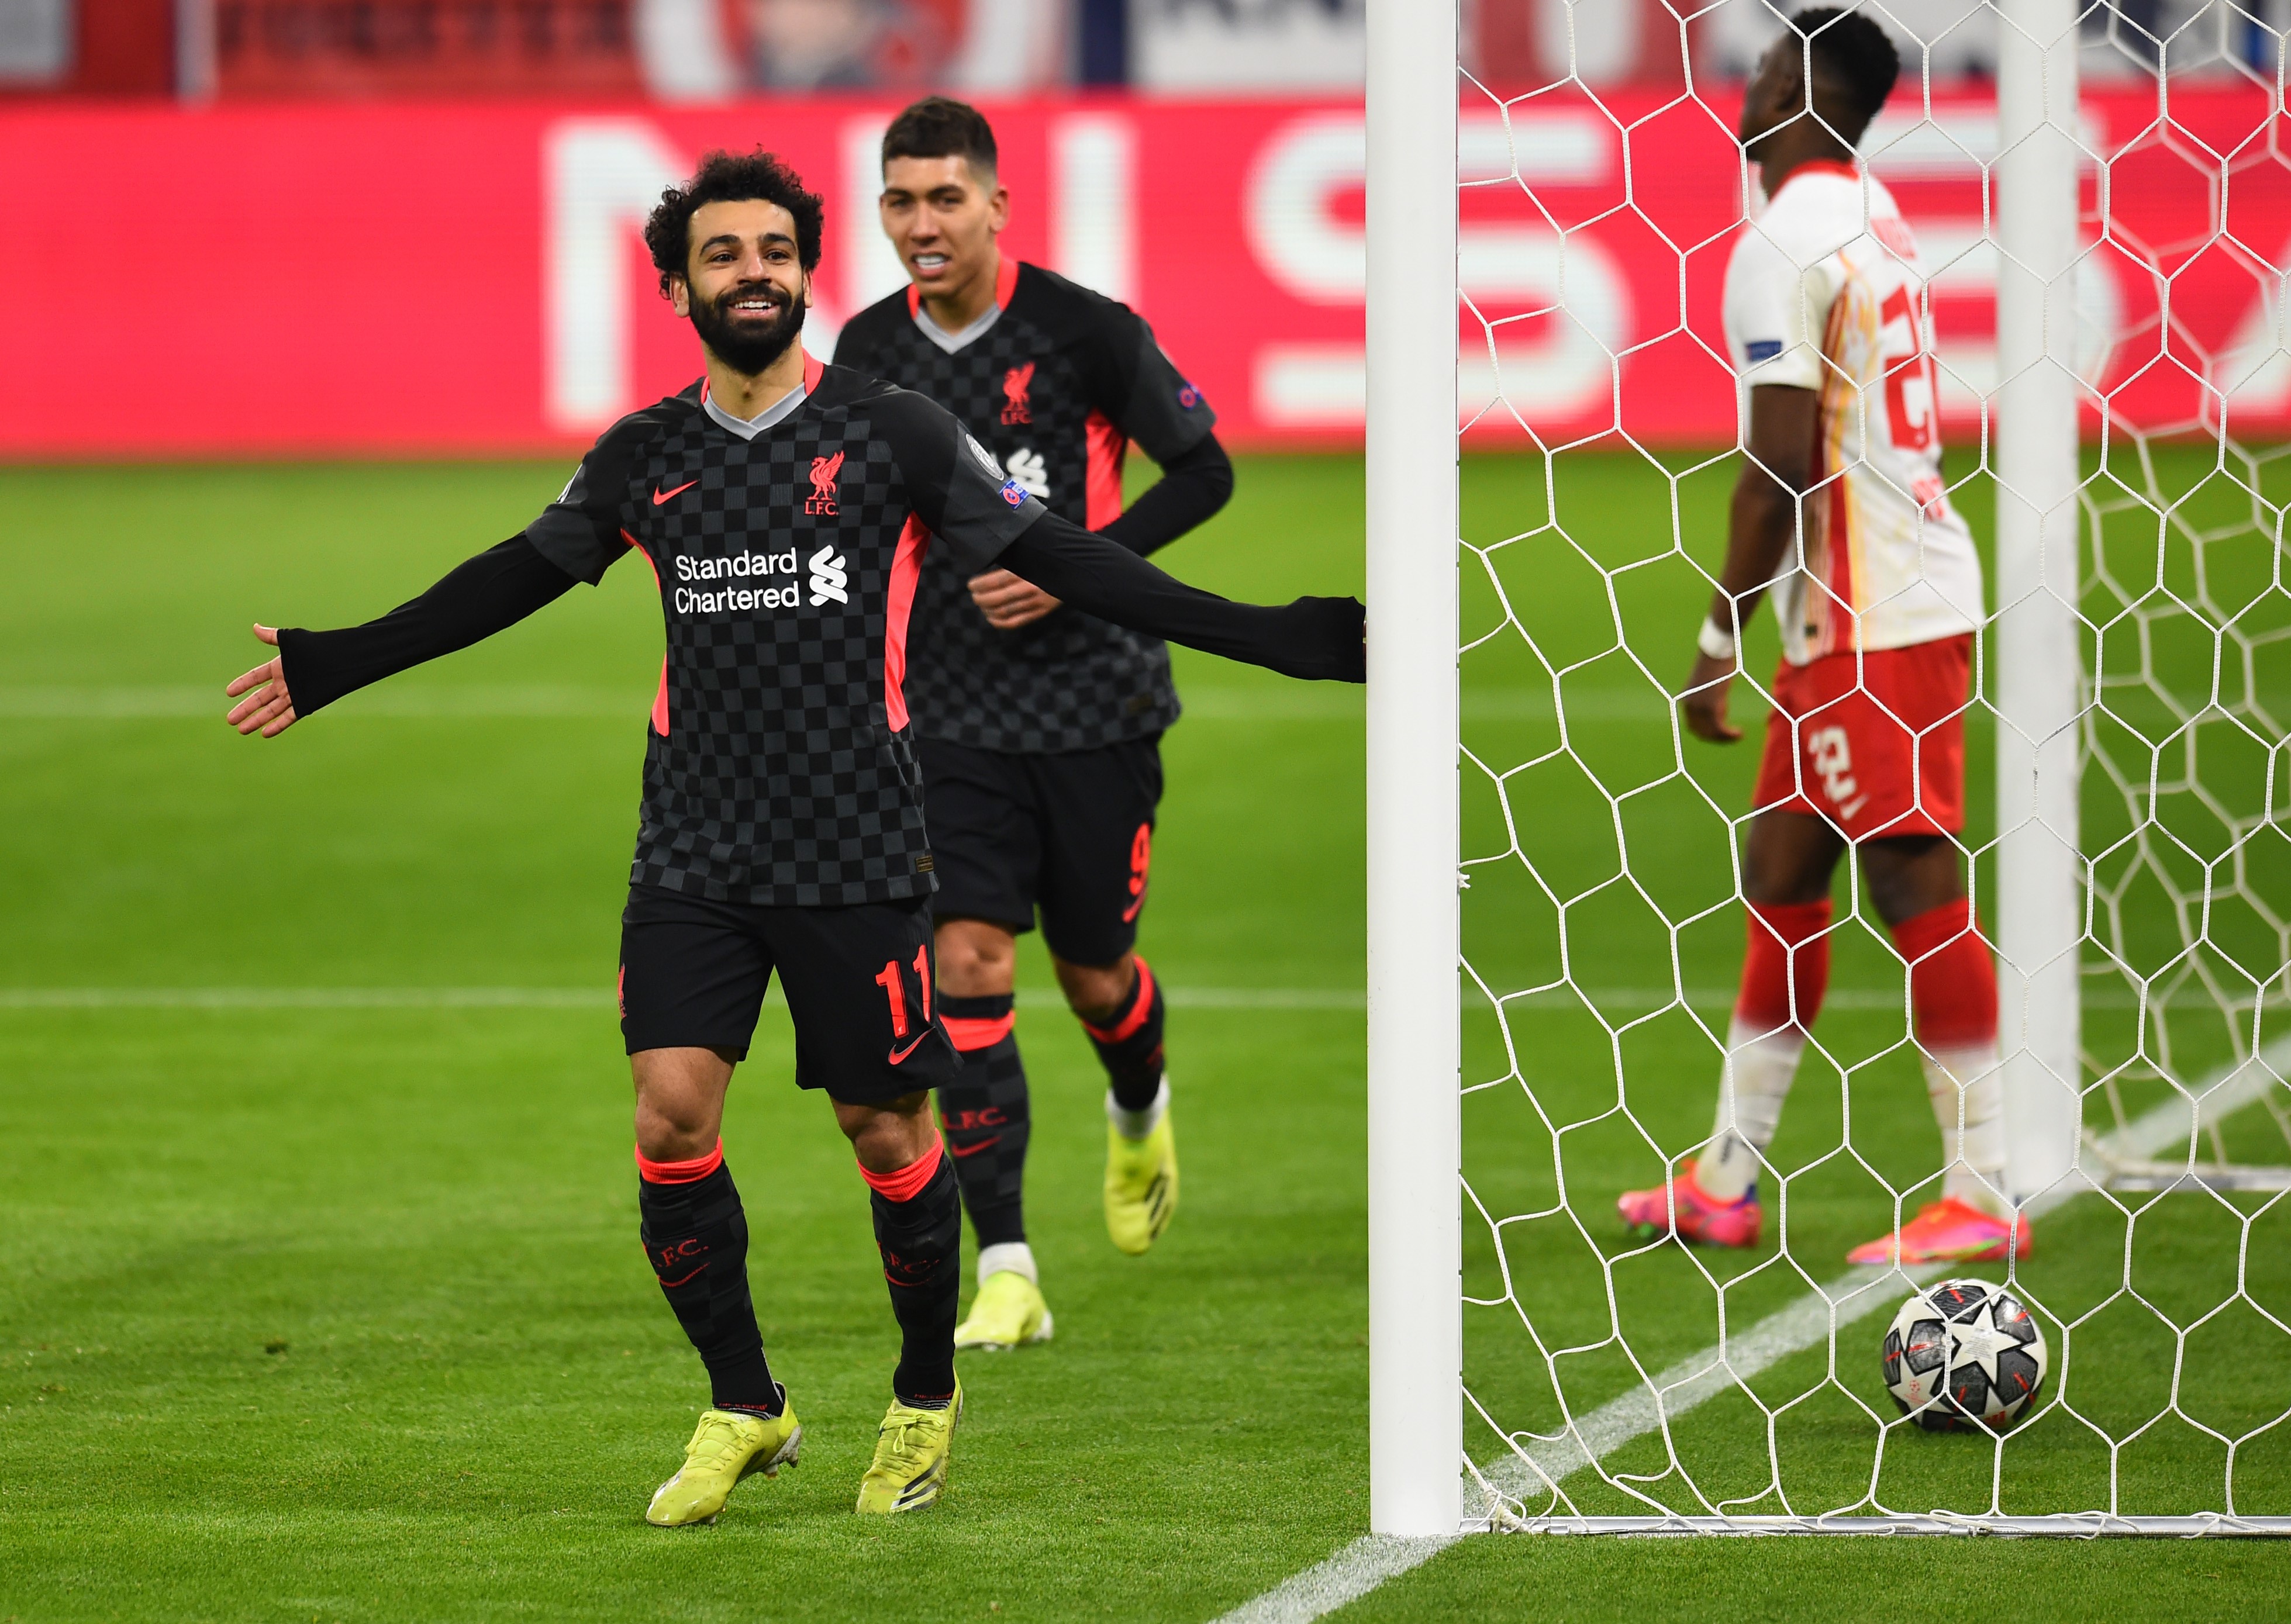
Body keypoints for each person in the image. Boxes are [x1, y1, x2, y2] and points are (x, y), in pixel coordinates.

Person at [224, 150, 1362, 1526]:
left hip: (857, 850)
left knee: (888, 1134)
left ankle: (925, 1399)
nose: (753, 272)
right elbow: (509, 580)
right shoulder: (645, 457)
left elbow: (1064, 555)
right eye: (723, 254)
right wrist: (341, 660)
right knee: (670, 1114)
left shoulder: (891, 433)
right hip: (693, 850)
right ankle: (744, 1405)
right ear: (677, 282)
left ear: (805, 270)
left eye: (775, 250)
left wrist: (1271, 636)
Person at [1616, 9, 2028, 1267]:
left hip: (1873, 614)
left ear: (1805, 90)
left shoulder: (1784, 235)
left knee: (1912, 879)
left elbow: (1776, 469)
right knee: (1785, 870)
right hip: (1858, 605)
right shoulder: (1873, 216)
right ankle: (1726, 1179)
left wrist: (1712, 635)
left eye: (1767, 70)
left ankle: (1985, 1190)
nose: (1746, 88)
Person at [834, 97, 1232, 1350]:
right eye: (900, 201)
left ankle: (1138, 1105)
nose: (922, 224)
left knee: (1096, 971)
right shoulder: (860, 349)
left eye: (946, 199)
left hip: (1097, 703)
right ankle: (1006, 1265)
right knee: (967, 969)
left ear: (998, 205)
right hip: (946, 714)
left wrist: (1078, 563)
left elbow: (1207, 470)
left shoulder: (1086, 333)